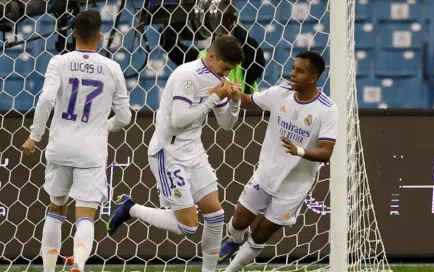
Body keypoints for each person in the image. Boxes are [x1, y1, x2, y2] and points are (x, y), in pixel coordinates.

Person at [106, 35, 245, 272]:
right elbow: (178, 120)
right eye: (224, 68)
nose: (226, 75)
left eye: (230, 71)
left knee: (216, 215)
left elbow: (226, 125)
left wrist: (234, 102)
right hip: (168, 153)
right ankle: (131, 208)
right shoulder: (187, 75)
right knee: (188, 227)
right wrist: (214, 97)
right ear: (211, 57)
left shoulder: (218, 79)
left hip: (194, 152)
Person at [21, 10, 132, 272]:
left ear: (72, 34)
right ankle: (79, 265)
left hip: (60, 148)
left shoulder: (58, 62)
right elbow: (125, 117)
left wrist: (33, 136)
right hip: (91, 152)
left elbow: (46, 99)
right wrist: (104, 126)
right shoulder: (112, 68)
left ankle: (49, 269)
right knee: (85, 216)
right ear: (100, 36)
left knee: (55, 209)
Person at [217, 51, 339, 272]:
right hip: (265, 174)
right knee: (238, 222)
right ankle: (234, 240)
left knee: (261, 233)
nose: (292, 74)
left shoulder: (327, 109)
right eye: (293, 68)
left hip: (294, 186)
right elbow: (248, 100)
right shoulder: (279, 93)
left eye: (300, 71)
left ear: (313, 78)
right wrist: (235, 95)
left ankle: (229, 271)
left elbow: (326, 152)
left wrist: (299, 151)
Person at [159, 0, 265, 94]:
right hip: (207, 114)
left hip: (242, 113)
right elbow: (168, 43)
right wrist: (174, 16)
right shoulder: (200, 59)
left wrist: (232, 25)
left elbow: (256, 55)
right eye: (219, 34)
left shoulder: (245, 62)